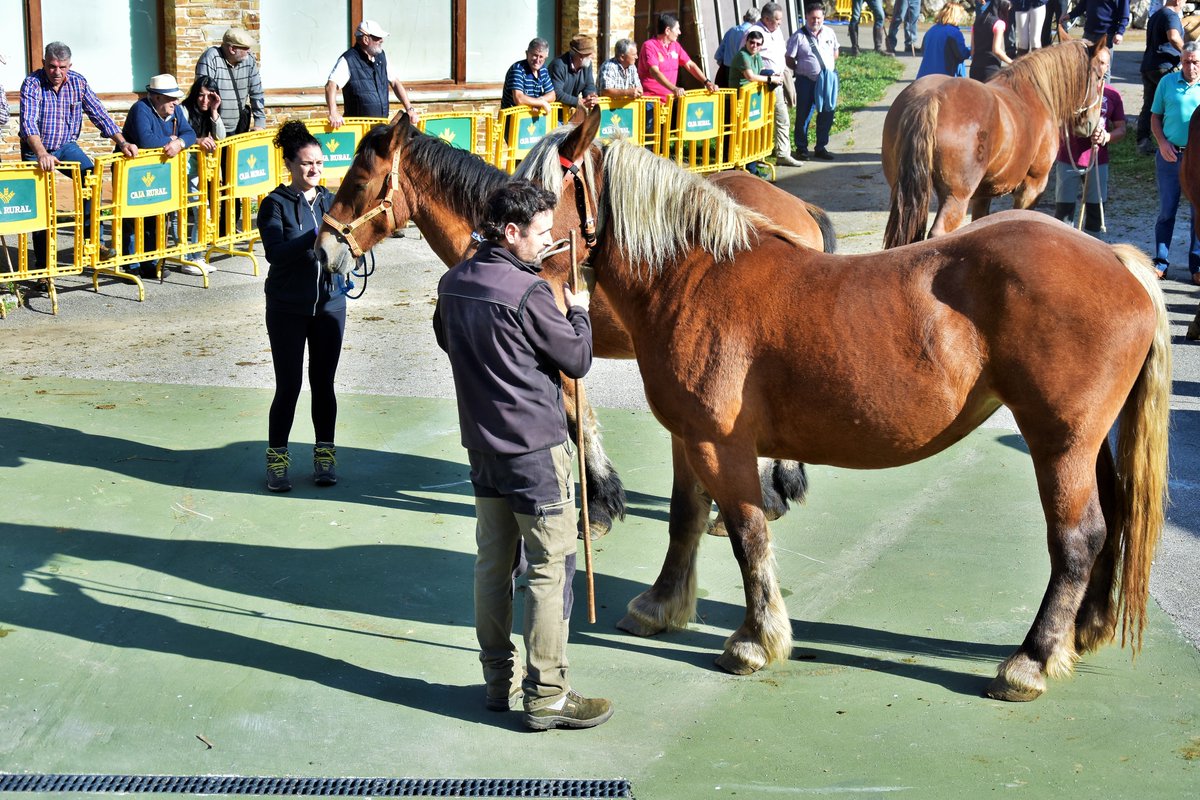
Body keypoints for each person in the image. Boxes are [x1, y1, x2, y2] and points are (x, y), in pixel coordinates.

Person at [432, 179, 613, 732]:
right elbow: (577, 359)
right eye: (538, 234)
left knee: (492, 566)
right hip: (535, 452)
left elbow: (447, 339)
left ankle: (496, 681)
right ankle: (547, 694)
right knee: (547, 570)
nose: (546, 243)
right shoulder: (530, 292)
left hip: (483, 448)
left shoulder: (453, 282)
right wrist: (578, 311)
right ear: (509, 233)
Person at [257, 121, 344, 492]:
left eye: (320, 163)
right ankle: (277, 460)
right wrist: (318, 235)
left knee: (324, 384)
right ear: (290, 165)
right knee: (288, 385)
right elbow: (276, 253)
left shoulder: (331, 201)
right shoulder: (273, 204)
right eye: (307, 163)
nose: (315, 170)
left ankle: (324, 457)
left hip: (330, 305)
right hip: (287, 308)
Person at [19, 41, 138, 273]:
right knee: (43, 204)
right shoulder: (32, 83)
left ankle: (92, 243)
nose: (57, 72)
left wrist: (122, 142)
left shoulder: (78, 81)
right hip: (37, 150)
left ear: (69, 65)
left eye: (62, 67)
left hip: (65, 146)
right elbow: (27, 123)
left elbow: (99, 114)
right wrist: (42, 153)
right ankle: (44, 268)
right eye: (52, 66)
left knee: (91, 178)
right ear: (43, 63)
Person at [120, 74, 197, 279]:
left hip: (158, 171)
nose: (176, 102)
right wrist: (170, 139)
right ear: (156, 97)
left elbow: (189, 134)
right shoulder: (140, 109)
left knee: (156, 215)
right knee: (132, 216)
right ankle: (131, 264)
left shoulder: (176, 110)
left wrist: (178, 143)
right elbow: (146, 140)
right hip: (133, 170)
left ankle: (151, 262)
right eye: (171, 98)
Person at [1053, 64, 1125, 233]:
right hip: (1068, 158)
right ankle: (1064, 254)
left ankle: (1093, 251)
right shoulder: (1070, 91)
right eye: (1095, 62)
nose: (1098, 67)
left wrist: (1106, 137)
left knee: (1095, 212)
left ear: (1108, 65)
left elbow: (1121, 129)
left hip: (1098, 160)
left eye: (1103, 62)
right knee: (1063, 213)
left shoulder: (1112, 94)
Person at [1150, 41, 1200, 284]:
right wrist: (1161, 142)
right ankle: (1160, 261)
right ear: (1181, 61)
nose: (1191, 67)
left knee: (1198, 212)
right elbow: (1155, 117)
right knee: (1167, 211)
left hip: (1197, 160)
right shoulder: (1166, 82)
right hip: (1170, 156)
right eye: (1187, 61)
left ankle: (1197, 265)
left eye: (1196, 62)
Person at [324, 19, 416, 129]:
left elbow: (395, 82)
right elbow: (331, 85)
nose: (381, 40)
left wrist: (409, 109)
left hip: (380, 127)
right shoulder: (348, 59)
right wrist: (333, 112)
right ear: (366, 39)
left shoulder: (381, 57)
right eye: (377, 37)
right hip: (358, 129)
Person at [180, 75, 227, 274]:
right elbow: (179, 137)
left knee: (201, 213)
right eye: (200, 95)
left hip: (199, 171)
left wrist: (215, 111)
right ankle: (188, 258)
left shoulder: (210, 112)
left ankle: (195, 256)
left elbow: (221, 137)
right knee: (186, 214)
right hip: (183, 169)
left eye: (210, 96)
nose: (204, 100)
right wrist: (197, 140)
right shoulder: (183, 110)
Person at [751, 3, 803, 167]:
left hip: (778, 82)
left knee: (782, 117)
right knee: (760, 121)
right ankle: (757, 156)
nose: (780, 23)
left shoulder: (777, 31)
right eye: (777, 20)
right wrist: (766, 76)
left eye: (781, 20)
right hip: (762, 84)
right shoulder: (754, 33)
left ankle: (782, 153)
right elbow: (747, 59)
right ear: (766, 19)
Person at [786, 2, 839, 161]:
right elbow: (789, 58)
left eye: (819, 18)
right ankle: (801, 148)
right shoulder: (799, 36)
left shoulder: (830, 32)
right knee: (803, 115)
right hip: (806, 81)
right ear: (807, 17)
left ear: (823, 17)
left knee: (827, 113)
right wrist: (802, 69)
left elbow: (836, 52)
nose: (815, 21)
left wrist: (826, 69)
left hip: (827, 81)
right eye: (812, 18)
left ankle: (821, 147)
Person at [195, 27, 265, 135]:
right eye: (245, 48)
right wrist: (205, 131)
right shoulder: (210, 58)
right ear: (232, 49)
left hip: (239, 127)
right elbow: (202, 96)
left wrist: (259, 123)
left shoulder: (249, 60)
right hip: (214, 128)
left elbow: (256, 92)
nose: (249, 51)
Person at [1138, 0, 1185, 155]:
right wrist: (1187, 52)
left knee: (1150, 105)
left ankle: (1143, 141)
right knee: (1171, 105)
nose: (1184, 4)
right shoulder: (1171, 15)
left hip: (1149, 66)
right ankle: (1169, 142)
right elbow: (1173, 36)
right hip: (1164, 67)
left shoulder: (1155, 15)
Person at [638, 12, 719, 101]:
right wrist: (674, 88)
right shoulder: (649, 46)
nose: (679, 32)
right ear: (667, 30)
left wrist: (707, 82)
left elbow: (690, 65)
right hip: (651, 101)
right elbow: (655, 72)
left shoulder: (675, 46)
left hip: (669, 100)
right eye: (677, 29)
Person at [548, 34, 599, 121]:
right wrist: (578, 101)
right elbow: (556, 93)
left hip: (570, 115)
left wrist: (591, 96)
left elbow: (589, 85)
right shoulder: (559, 65)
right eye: (590, 54)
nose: (593, 56)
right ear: (580, 56)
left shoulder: (586, 64)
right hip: (553, 117)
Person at [917, 2, 971, 79]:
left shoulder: (931, 30)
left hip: (924, 76)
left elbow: (923, 50)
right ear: (956, 16)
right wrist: (972, 49)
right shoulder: (954, 33)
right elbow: (962, 54)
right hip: (944, 79)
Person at [501, 38, 556, 113]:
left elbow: (552, 95)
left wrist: (539, 101)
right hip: (512, 120)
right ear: (527, 54)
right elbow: (519, 99)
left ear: (546, 57)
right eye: (535, 55)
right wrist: (542, 103)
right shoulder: (518, 69)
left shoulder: (543, 70)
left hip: (532, 119)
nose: (537, 60)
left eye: (541, 57)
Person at [970, 0, 1014, 82]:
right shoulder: (999, 24)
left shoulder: (977, 22)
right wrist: (1012, 63)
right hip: (990, 68)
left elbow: (972, 51)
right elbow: (996, 50)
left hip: (974, 68)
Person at [714, 8, 759, 85]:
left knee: (730, 97)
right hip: (745, 76)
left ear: (744, 17)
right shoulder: (754, 34)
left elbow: (718, 55)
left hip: (728, 71)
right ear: (757, 21)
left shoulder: (731, 30)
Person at [1064, 0, 1128, 50]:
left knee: (1101, 65)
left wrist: (1120, 33)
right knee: (1085, 63)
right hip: (1088, 33)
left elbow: (1124, 14)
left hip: (1106, 35)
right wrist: (1069, 15)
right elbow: (1082, 5)